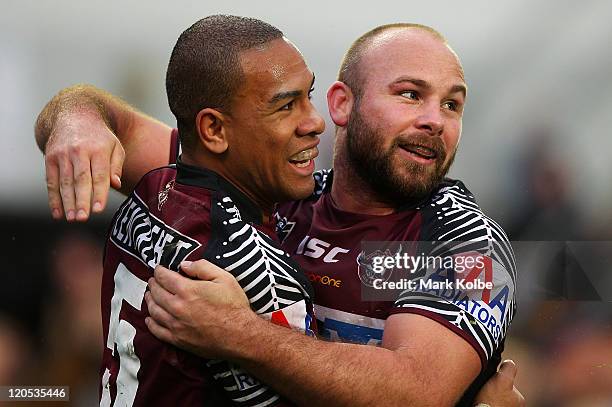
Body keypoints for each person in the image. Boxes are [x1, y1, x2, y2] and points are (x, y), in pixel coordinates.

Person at [36, 19, 524, 406]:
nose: (434, 120)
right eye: (410, 94)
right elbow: (106, 131)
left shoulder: (468, 245)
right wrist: (76, 117)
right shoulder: (277, 186)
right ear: (341, 104)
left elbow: (416, 391)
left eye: (453, 105)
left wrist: (239, 335)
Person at [39, 15, 326, 406]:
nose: (315, 122)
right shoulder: (255, 270)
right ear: (214, 131)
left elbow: (96, 114)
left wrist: (76, 113)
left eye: (309, 95)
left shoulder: (154, 184)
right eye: (287, 106)